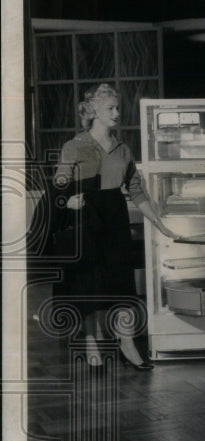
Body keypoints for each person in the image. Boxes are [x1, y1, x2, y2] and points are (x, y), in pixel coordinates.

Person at [52, 83, 177, 370]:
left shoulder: (123, 149)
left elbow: (137, 191)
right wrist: (66, 201)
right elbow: (59, 185)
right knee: (88, 287)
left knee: (121, 285)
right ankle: (91, 342)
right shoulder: (74, 146)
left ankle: (127, 343)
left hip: (115, 220)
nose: (117, 113)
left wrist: (159, 222)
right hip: (86, 219)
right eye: (111, 108)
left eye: (117, 107)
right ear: (94, 110)